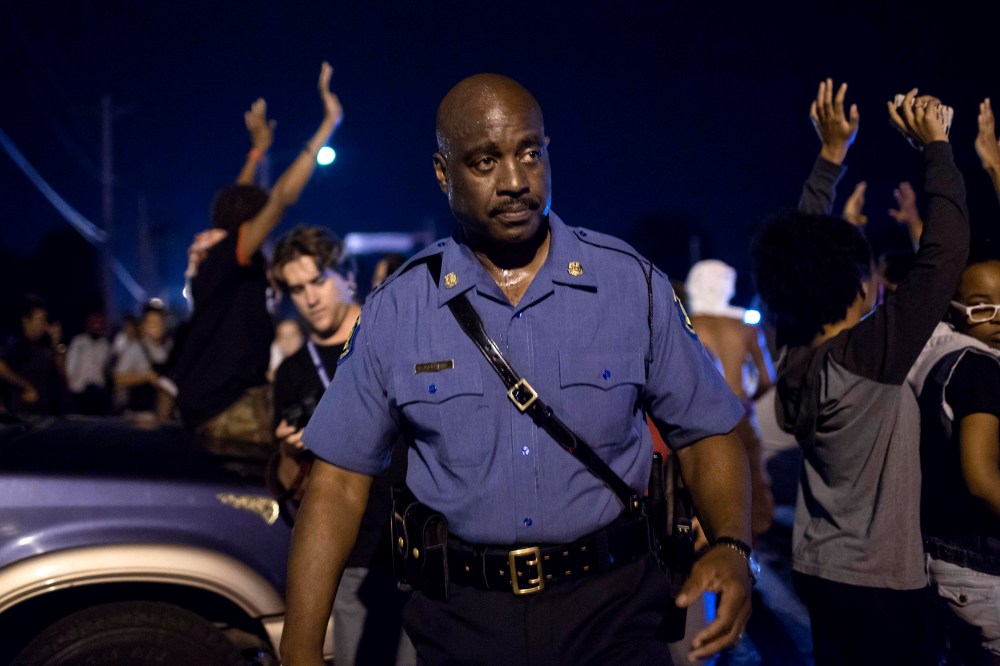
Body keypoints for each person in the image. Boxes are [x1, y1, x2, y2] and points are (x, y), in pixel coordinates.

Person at [281, 73, 754, 666]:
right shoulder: (397, 310)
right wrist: (299, 648)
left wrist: (733, 545)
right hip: (463, 619)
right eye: (484, 161)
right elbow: (338, 485)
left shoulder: (631, 285)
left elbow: (706, 430)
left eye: (530, 153)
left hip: (614, 608)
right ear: (442, 173)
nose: (514, 181)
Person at [751, 80, 968, 665]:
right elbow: (944, 256)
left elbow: (796, 251)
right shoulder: (868, 356)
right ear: (853, 284)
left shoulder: (791, 353)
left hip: (818, 569)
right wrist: (937, 147)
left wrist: (828, 160)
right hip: (881, 584)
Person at [171, 62, 343, 457]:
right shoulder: (231, 256)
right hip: (224, 409)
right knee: (328, 435)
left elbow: (241, 202)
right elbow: (280, 199)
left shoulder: (223, 258)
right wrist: (328, 125)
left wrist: (258, 150)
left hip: (217, 400)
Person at [270, 225, 413, 665]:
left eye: (317, 281)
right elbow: (289, 485)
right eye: (297, 289)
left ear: (347, 276)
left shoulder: (394, 336)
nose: (311, 298)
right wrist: (292, 453)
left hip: (425, 546)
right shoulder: (292, 371)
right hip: (355, 554)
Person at [1, 295, 66, 415]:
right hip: (26, 415)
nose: (45, 325)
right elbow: (1, 366)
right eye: (40, 320)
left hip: (46, 413)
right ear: (26, 320)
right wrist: (25, 386)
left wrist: (56, 344)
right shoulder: (20, 344)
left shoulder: (44, 346)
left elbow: (62, 374)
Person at [66, 312, 112, 415]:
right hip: (79, 390)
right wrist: (70, 383)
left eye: (99, 323)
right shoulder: (78, 341)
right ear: (88, 324)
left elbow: (107, 368)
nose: (97, 326)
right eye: (94, 323)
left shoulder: (105, 345)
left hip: (98, 391)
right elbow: (71, 364)